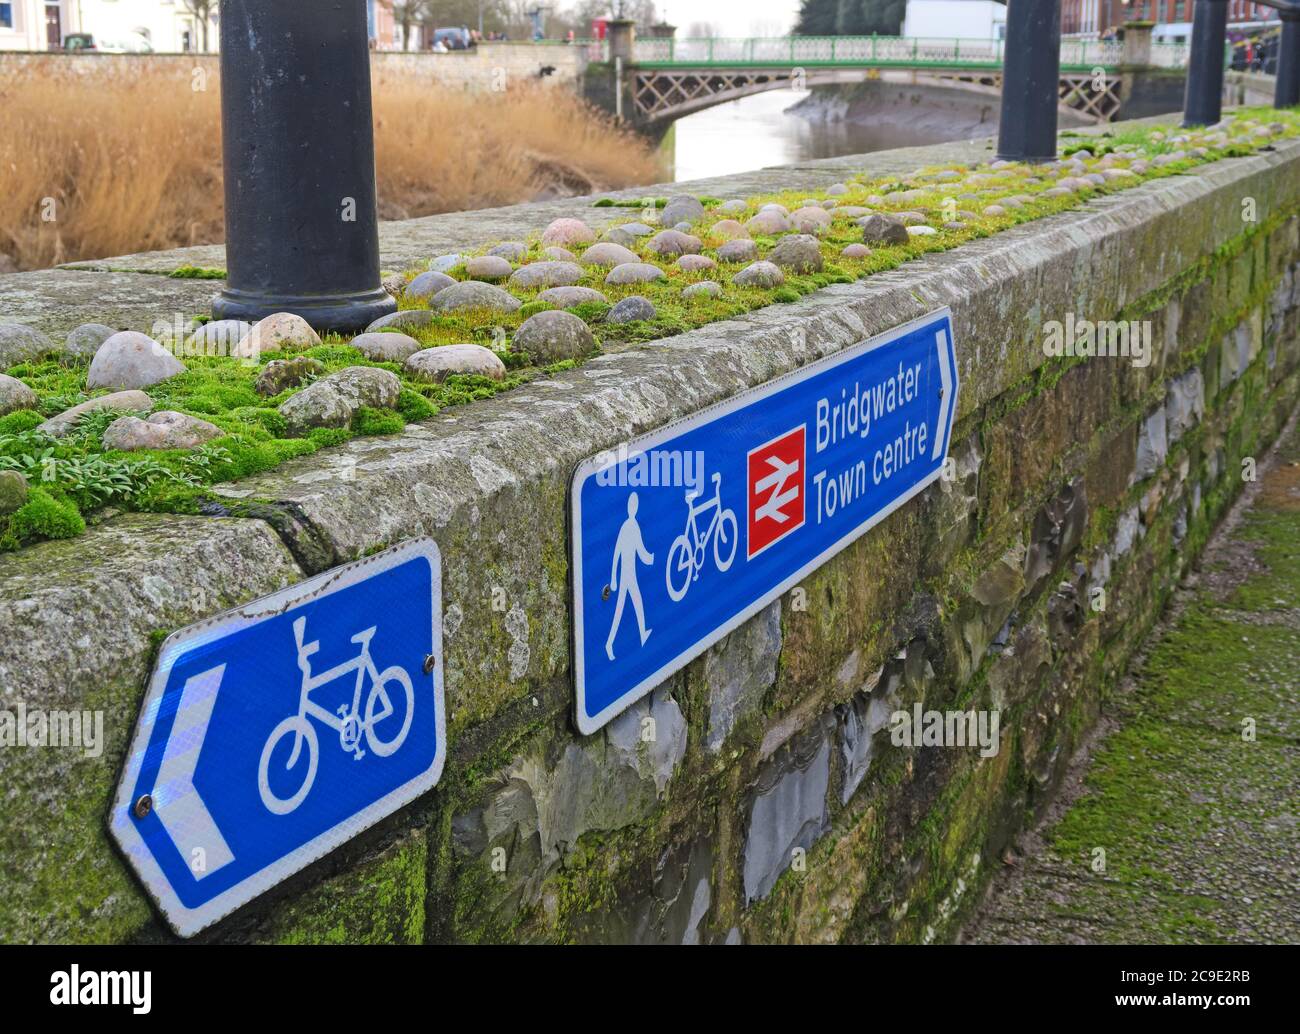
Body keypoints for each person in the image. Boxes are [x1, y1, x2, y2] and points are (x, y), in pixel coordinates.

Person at [606, 493, 654, 661]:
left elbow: (636, 551)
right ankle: (609, 643)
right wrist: (652, 558)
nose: (633, 508)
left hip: (629, 574)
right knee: (619, 610)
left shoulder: (629, 525)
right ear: (631, 507)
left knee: (636, 603)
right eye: (633, 505)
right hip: (626, 575)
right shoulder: (630, 526)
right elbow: (620, 552)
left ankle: (642, 633)